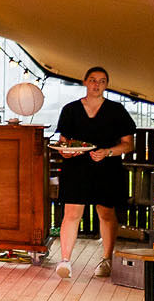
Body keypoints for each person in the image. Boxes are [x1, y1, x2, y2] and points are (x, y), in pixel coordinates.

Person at [51, 66, 135, 279]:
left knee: (106, 214)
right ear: (85, 82)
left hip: (107, 169)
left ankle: (107, 260)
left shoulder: (116, 110)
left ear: (106, 85)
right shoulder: (70, 110)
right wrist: (66, 152)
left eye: (101, 81)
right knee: (71, 213)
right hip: (76, 168)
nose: (96, 84)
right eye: (93, 80)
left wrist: (108, 152)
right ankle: (65, 260)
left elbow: (128, 144)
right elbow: (63, 143)